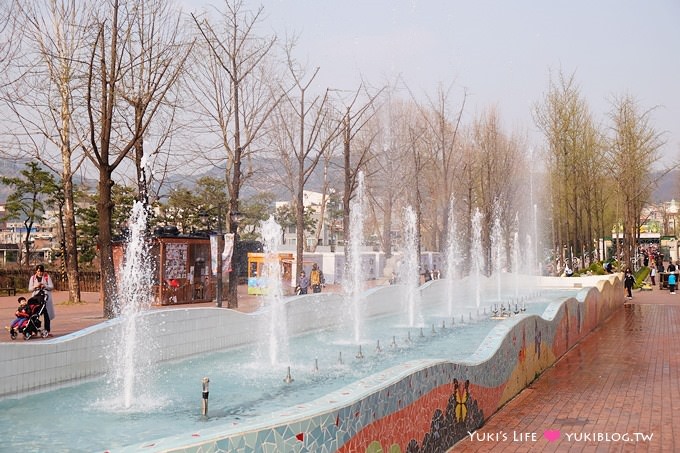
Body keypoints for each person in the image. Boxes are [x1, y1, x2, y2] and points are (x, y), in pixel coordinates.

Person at [28, 264, 55, 335]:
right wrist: (35, 286)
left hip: (45, 299)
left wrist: (45, 286)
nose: (40, 273)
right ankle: (34, 330)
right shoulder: (33, 278)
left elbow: (51, 287)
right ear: (36, 271)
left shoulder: (46, 277)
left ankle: (47, 330)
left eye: (41, 271)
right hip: (36, 299)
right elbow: (30, 289)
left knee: (47, 315)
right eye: (38, 271)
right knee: (35, 314)